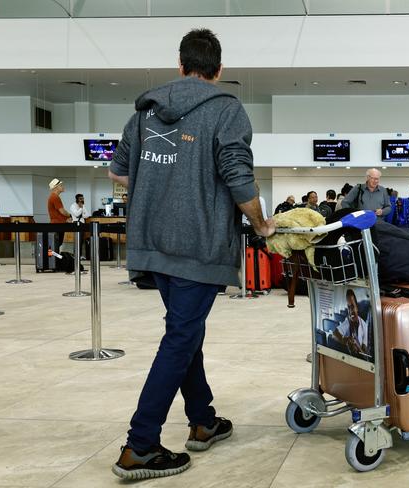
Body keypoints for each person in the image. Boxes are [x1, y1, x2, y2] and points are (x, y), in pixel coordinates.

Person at [107, 28, 275, 481]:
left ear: (180, 66)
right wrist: (262, 224)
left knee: (186, 331)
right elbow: (238, 178)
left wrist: (161, 186)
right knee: (180, 337)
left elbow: (118, 172)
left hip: (152, 244)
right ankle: (140, 445)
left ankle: (202, 419)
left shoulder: (145, 110)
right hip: (196, 246)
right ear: (218, 71)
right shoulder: (226, 109)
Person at [332, 289, 369, 356]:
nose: (350, 311)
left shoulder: (364, 326)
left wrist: (357, 345)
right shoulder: (348, 321)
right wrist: (345, 340)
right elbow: (334, 334)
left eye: (352, 306)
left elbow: (365, 353)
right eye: (349, 307)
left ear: (357, 307)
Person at [47, 178, 71, 251]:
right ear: (56, 187)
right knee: (56, 244)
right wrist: (70, 215)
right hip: (57, 225)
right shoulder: (55, 197)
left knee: (56, 244)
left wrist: (66, 219)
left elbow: (58, 213)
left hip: (57, 224)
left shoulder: (53, 196)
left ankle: (54, 260)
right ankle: (54, 260)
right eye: (61, 185)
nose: (63, 187)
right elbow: (62, 211)